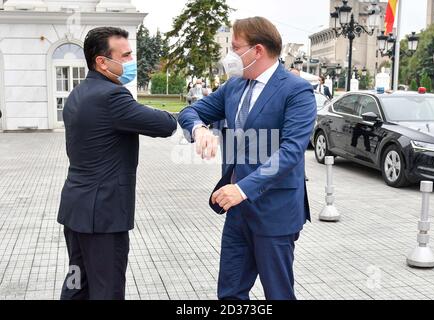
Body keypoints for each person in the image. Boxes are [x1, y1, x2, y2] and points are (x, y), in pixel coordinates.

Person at [178, 17, 317, 300]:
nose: (229, 55)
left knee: (277, 293)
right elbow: (189, 112)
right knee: (229, 293)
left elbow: (291, 151)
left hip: (274, 211)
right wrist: (199, 128)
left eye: (234, 47)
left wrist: (242, 189)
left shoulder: (296, 90)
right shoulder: (235, 86)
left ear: (257, 51)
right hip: (237, 212)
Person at [57, 27, 177, 300]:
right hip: (103, 217)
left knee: (77, 282)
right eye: (125, 55)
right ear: (102, 61)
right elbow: (165, 125)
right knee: (106, 289)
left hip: (76, 211)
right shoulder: (112, 96)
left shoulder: (77, 93)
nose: (131, 60)